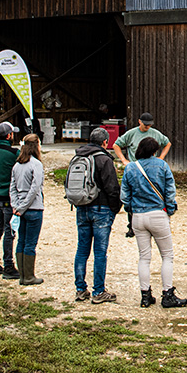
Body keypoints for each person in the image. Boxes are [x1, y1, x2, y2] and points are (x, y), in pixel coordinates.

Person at [120, 137, 187, 309]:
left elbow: (125, 195)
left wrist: (131, 209)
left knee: (144, 257)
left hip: (138, 216)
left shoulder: (130, 168)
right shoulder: (162, 166)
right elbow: (170, 190)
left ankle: (145, 295)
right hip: (157, 214)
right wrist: (170, 210)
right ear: (154, 151)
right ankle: (167, 294)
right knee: (167, 255)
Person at [73, 127, 122, 303]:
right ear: (104, 142)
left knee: (82, 249)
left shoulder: (78, 156)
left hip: (82, 207)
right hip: (100, 208)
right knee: (100, 251)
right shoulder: (103, 159)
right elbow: (112, 187)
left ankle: (80, 289)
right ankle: (98, 291)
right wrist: (115, 208)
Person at [114, 112, 171, 237]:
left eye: (149, 125)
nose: (147, 127)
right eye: (145, 125)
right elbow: (116, 145)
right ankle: (132, 225)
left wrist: (161, 157)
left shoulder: (155, 133)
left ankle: (150, 224)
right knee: (134, 195)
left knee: (150, 195)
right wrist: (124, 160)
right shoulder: (132, 134)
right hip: (135, 169)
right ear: (139, 122)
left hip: (151, 170)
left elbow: (167, 143)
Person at [10, 134, 45, 286]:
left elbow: (12, 187)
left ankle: (22, 275)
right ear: (36, 145)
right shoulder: (36, 164)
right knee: (30, 243)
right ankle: (29, 276)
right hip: (33, 208)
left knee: (21, 241)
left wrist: (16, 205)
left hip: (19, 208)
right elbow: (35, 188)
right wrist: (24, 206)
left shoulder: (17, 164)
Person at [0, 121, 20, 279]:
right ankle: (8, 264)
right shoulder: (13, 153)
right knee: (10, 231)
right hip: (9, 195)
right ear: (9, 135)